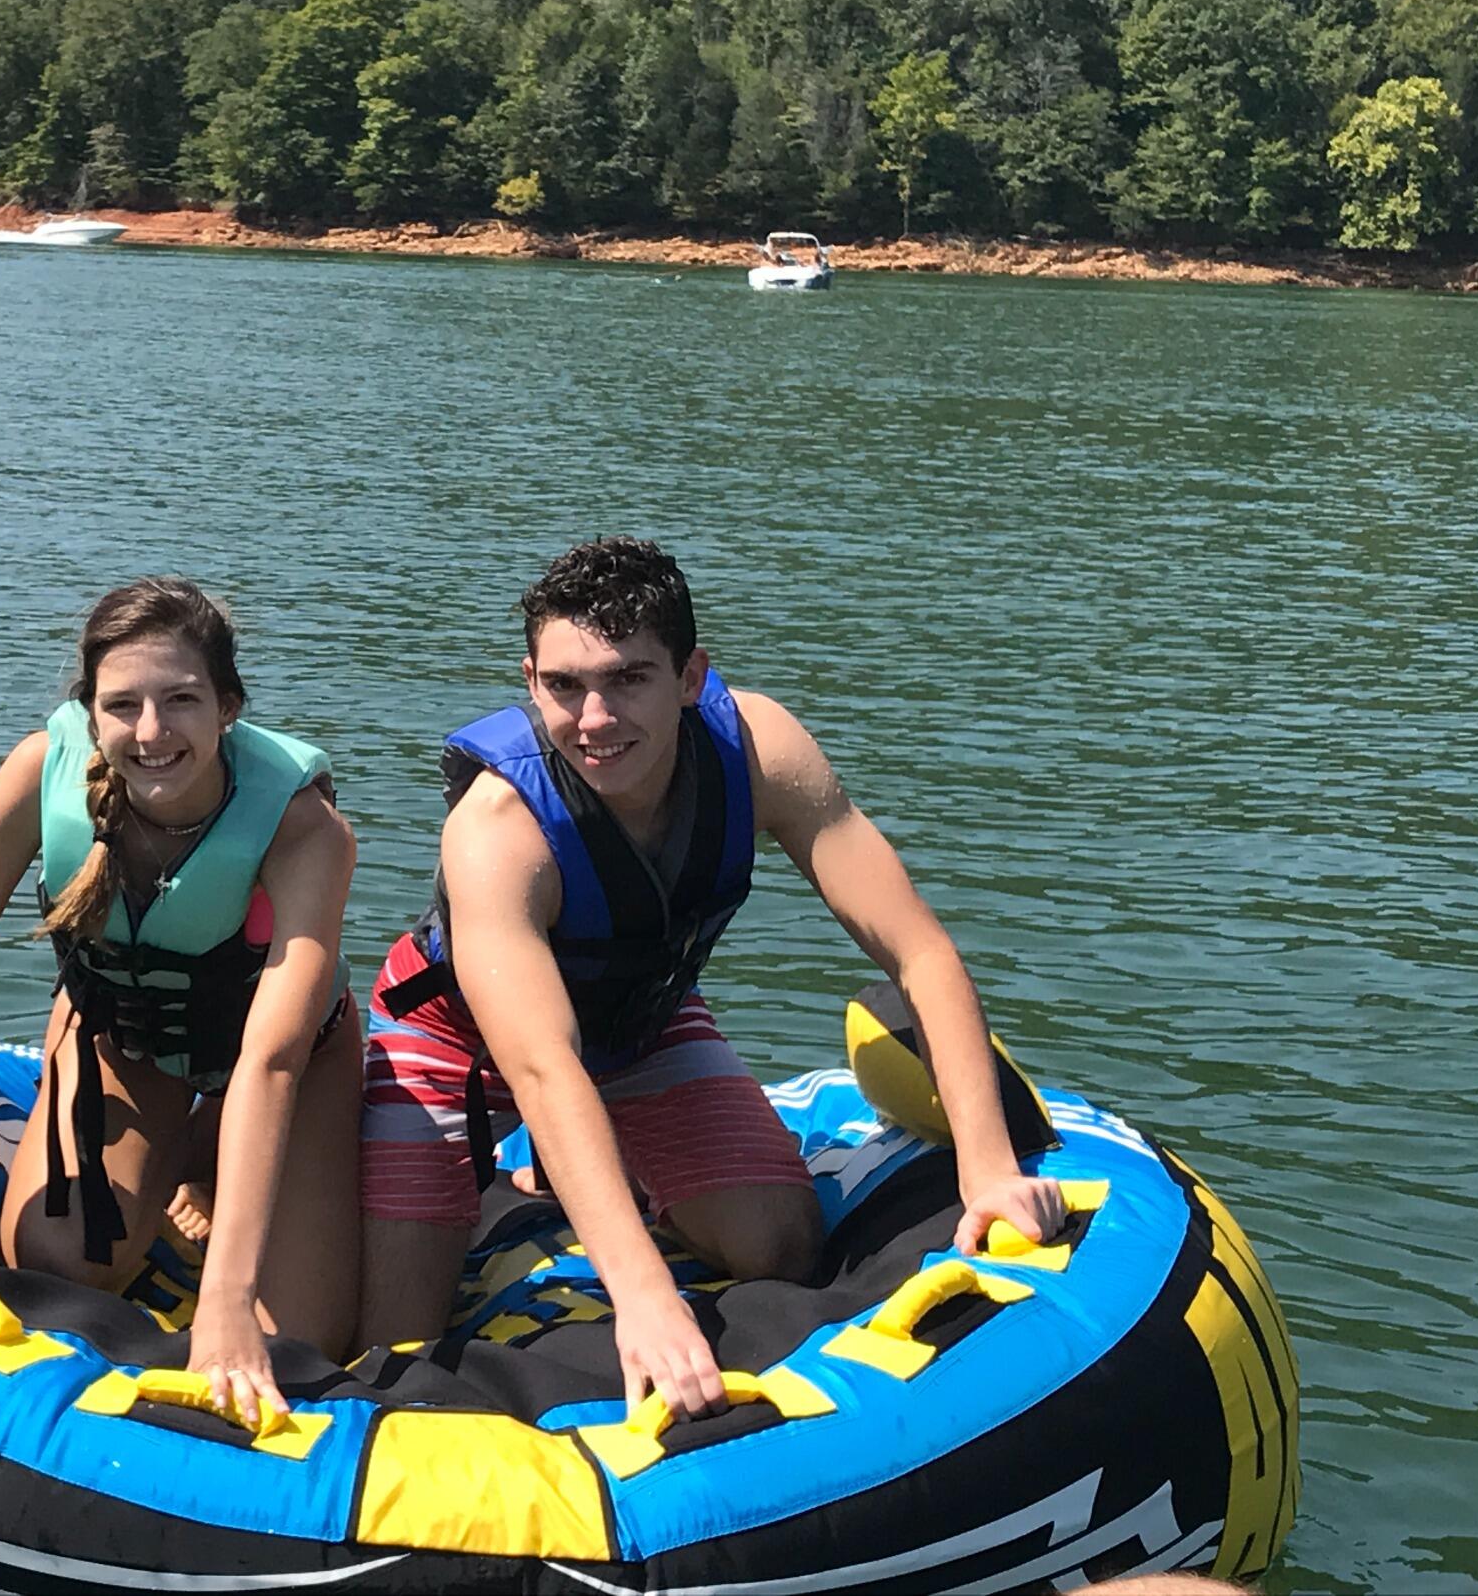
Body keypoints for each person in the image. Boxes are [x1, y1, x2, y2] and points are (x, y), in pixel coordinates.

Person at [354, 537, 1064, 1423]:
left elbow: (916, 950)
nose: (595, 718)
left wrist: (988, 1170)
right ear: (529, 680)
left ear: (691, 677)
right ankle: (529, 1164)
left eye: (628, 678)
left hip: (639, 1025)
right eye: (564, 685)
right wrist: (647, 1299)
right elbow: (542, 1066)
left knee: (780, 1239)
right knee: (392, 1343)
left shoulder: (761, 751)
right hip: (459, 1044)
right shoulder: (498, 829)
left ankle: (606, 1164)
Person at [0, 578, 359, 1426]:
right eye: (123, 705)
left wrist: (225, 1294)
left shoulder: (301, 828)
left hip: (288, 1060)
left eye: (181, 700)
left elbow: (273, 1058)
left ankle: (206, 1153)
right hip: (130, 1041)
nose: (151, 732)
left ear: (229, 708)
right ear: (90, 712)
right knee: (57, 1258)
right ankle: (168, 1141)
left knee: (298, 1338)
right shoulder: (42, 770)